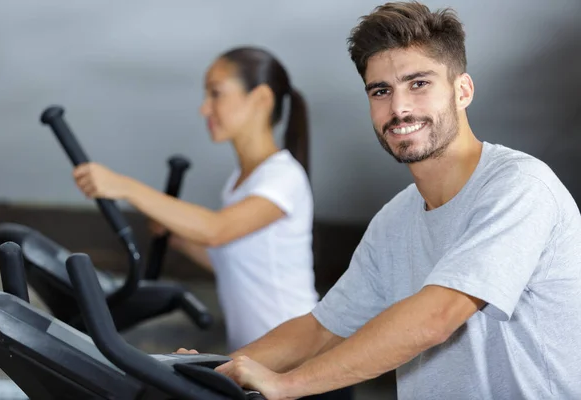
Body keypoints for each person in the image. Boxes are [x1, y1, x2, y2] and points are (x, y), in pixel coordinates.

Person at [178, 2, 581, 399]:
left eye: (419, 83)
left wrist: (286, 385)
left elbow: (437, 316)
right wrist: (219, 369)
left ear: (463, 90)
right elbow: (321, 328)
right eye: (381, 91)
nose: (399, 108)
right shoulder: (394, 220)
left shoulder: (520, 187)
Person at [72, 47, 321, 356]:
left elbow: (216, 230)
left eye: (216, 94)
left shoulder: (283, 177)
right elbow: (232, 259)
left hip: (300, 358)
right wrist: (178, 237)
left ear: (261, 99)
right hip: (259, 359)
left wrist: (123, 187)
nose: (205, 109)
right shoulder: (238, 184)